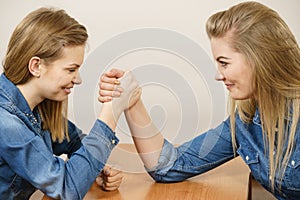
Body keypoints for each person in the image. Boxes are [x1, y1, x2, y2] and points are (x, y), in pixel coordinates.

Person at [99, 1, 300, 199]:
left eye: (224, 63)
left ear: (260, 59)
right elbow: (170, 166)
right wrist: (132, 100)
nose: (218, 76)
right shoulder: (245, 122)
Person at [0, 7, 140, 200]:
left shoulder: (36, 108)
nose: (78, 79)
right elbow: (68, 188)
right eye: (71, 69)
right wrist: (111, 111)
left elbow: (74, 140)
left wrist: (94, 169)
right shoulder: (6, 123)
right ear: (36, 66)